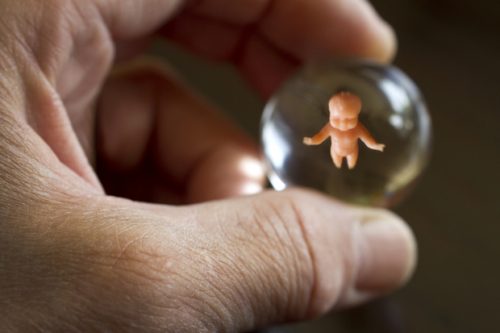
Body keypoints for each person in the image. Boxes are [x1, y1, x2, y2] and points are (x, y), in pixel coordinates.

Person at [0, 0, 416, 331]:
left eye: (347, 119)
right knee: (339, 157)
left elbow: (361, 139)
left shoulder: (356, 127)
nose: (342, 123)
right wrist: (312, 139)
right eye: (339, 118)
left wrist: (372, 143)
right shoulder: (330, 125)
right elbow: (326, 136)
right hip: (310, 165)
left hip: (346, 167)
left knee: (345, 160)